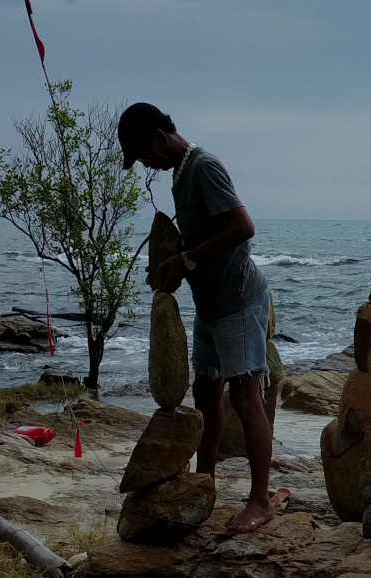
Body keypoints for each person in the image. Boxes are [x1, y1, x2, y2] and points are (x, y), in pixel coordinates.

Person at [117, 102, 280, 534]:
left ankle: (260, 501)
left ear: (159, 136)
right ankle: (205, 481)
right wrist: (170, 262)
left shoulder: (203, 166)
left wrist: (186, 259)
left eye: (144, 155)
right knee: (205, 394)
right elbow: (201, 235)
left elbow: (243, 228)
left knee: (246, 398)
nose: (147, 165)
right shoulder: (178, 173)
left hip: (239, 301)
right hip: (210, 306)